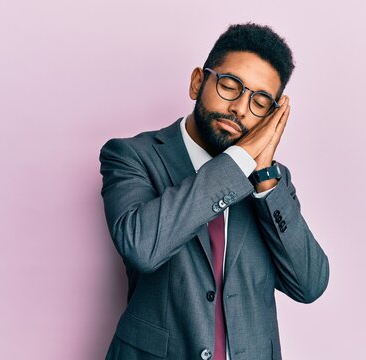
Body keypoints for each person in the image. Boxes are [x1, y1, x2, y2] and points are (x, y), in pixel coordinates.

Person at [99, 22, 329, 360]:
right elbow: (141, 247)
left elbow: (308, 284)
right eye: (230, 86)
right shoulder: (132, 156)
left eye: (260, 102)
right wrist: (237, 161)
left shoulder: (274, 183)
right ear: (198, 82)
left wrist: (264, 177)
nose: (240, 108)